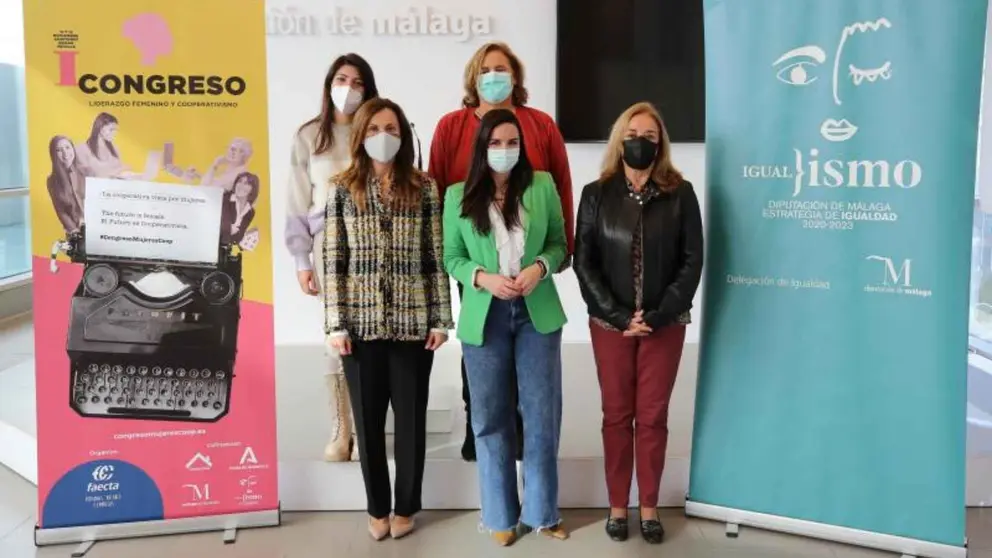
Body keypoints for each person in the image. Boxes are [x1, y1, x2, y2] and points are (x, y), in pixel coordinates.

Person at [429, 40, 575, 463]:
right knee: (479, 345)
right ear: (475, 78)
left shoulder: (541, 125)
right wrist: (453, 261)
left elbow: (558, 187)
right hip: (476, 259)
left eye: (502, 68)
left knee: (532, 353)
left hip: (530, 258)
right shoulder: (452, 126)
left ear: (516, 76)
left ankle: (525, 429)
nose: (494, 76)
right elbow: (436, 187)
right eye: (486, 69)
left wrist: (557, 254)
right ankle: (482, 423)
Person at [574, 102, 703, 545]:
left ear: (660, 143)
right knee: (616, 416)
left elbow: (692, 260)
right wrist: (615, 314)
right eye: (633, 133)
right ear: (619, 139)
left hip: (665, 324)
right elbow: (584, 261)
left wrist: (659, 313)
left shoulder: (680, 192)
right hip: (610, 324)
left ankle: (648, 506)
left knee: (652, 417)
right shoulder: (596, 193)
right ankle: (616, 506)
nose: (641, 142)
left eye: (650, 136)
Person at [323, 97, 452, 541]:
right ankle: (377, 507)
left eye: (393, 128)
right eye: (376, 128)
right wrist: (335, 324)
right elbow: (333, 259)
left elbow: (435, 258)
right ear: (361, 134)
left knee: (411, 420)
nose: (385, 136)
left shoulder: (425, 187)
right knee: (369, 421)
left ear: (403, 135)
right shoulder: (341, 187)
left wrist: (440, 319)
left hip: (413, 324)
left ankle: (406, 505)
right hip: (358, 328)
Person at [442, 109, 568, 546]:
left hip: (537, 314)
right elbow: (451, 257)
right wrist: (483, 278)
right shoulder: (458, 195)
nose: (504, 150)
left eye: (511, 142)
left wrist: (540, 267)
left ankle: (542, 512)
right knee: (490, 417)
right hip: (486, 315)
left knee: (541, 415)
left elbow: (558, 242)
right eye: (494, 143)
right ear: (482, 147)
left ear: (522, 146)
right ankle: (499, 515)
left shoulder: (543, 186)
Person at [285, 53, 379, 462]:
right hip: (328, 245)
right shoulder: (309, 136)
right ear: (328, 84)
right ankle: (342, 428)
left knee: (372, 332)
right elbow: (296, 199)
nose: (349, 89)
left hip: (375, 241)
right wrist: (301, 260)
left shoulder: (377, 132)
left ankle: (366, 424)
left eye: (358, 82)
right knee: (336, 332)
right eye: (342, 79)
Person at [75, 112, 134, 179]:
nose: (114, 133)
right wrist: (119, 170)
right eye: (111, 129)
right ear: (100, 128)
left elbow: (120, 173)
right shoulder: (82, 148)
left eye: (116, 130)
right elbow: (90, 175)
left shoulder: (115, 149)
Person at [46, 135, 85, 233]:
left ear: (73, 149)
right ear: (53, 155)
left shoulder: (86, 171)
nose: (65, 153)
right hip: (75, 231)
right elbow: (61, 211)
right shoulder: (52, 181)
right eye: (59, 150)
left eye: (67, 147)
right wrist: (74, 230)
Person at [220, 171, 260, 245]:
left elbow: (238, 239)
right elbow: (223, 232)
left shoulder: (250, 212)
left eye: (246, 184)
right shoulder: (225, 199)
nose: (241, 186)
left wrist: (246, 236)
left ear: (253, 189)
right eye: (239, 181)